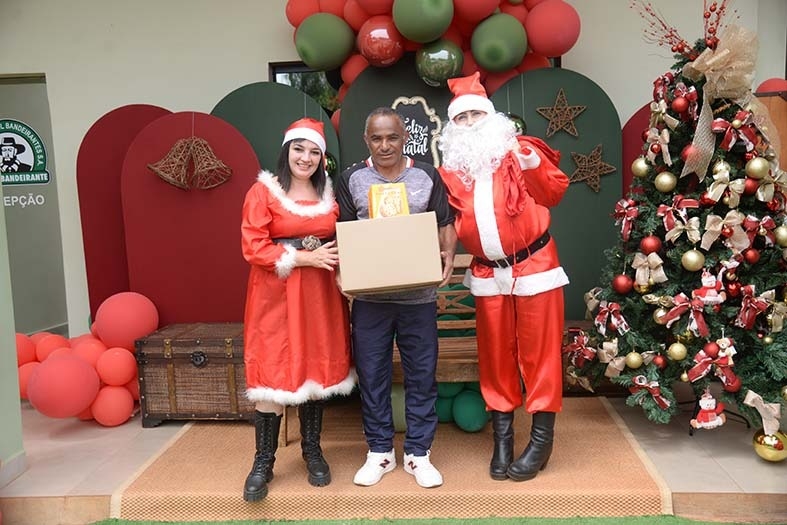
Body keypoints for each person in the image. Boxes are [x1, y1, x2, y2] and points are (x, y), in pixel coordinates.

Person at [437, 72, 570, 482]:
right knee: (495, 358)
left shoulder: (520, 152)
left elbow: (554, 192)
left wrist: (529, 161)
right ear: (451, 128)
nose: (470, 123)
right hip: (486, 274)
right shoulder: (452, 173)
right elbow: (447, 221)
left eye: (476, 114)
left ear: (492, 118)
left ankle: (542, 440)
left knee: (540, 356)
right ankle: (503, 440)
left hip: (535, 267)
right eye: (461, 118)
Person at [335, 107, 457, 489]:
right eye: (377, 138)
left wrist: (449, 255)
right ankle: (380, 452)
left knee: (422, 376)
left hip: (418, 298)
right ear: (366, 140)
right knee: (372, 376)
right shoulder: (351, 179)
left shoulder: (427, 175)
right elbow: (341, 231)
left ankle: (419, 453)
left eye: (392, 137)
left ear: (405, 137)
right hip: (371, 300)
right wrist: (342, 272)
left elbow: (445, 222)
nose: (385, 145)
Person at [240, 117, 355, 502]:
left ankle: (312, 450)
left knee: (314, 368)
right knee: (272, 369)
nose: (305, 158)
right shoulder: (263, 192)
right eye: (298, 149)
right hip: (275, 295)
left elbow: (343, 239)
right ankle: (263, 461)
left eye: (314, 152)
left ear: (323, 158)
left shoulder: (330, 194)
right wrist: (305, 258)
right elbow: (253, 246)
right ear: (286, 151)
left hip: (320, 295)